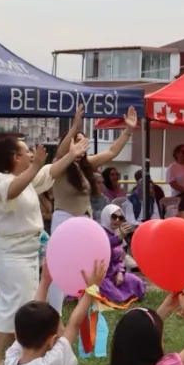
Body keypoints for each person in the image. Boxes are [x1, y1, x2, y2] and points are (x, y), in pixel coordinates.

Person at [0, 136, 86, 365]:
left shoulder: (28, 178)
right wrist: (36, 166)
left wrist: (71, 155)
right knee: (11, 303)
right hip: (10, 251)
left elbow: (50, 171)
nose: (32, 154)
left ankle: (26, 352)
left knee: (27, 302)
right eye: (26, 151)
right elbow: (12, 190)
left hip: (27, 250)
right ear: (15, 157)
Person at [48, 106, 136, 308]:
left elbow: (112, 152)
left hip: (84, 222)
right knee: (60, 266)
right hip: (64, 220)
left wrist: (128, 130)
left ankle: (85, 306)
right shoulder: (60, 164)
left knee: (86, 266)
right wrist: (75, 127)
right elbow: (61, 152)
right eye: (76, 141)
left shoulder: (86, 165)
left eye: (83, 141)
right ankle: (55, 309)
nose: (81, 145)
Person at [96, 210, 145, 304]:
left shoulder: (116, 233)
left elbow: (119, 259)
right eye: (114, 217)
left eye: (121, 218)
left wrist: (120, 272)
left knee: (137, 282)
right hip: (101, 277)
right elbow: (103, 246)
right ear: (106, 216)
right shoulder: (98, 232)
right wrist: (119, 237)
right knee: (117, 298)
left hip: (114, 274)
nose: (117, 220)